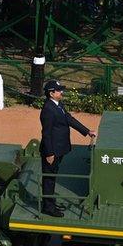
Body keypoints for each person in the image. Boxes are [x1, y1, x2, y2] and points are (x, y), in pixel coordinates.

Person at [39, 80, 96, 217]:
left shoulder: (58, 105)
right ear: (51, 93)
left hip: (60, 149)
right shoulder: (48, 110)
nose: (61, 92)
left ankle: (50, 202)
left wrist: (87, 131)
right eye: (59, 90)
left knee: (52, 176)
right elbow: (46, 134)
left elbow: (69, 119)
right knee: (49, 178)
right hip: (52, 151)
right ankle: (48, 207)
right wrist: (50, 153)